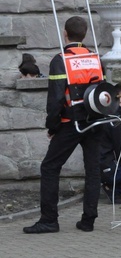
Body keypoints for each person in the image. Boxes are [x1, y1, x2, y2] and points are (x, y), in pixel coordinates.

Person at [24, 16, 103, 233]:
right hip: (94, 121)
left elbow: (56, 98)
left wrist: (53, 126)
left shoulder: (61, 60)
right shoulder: (95, 58)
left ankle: (49, 220)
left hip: (70, 123)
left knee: (49, 167)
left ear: (65, 34)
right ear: (84, 34)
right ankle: (88, 221)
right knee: (93, 170)